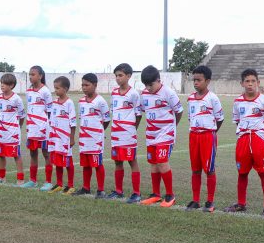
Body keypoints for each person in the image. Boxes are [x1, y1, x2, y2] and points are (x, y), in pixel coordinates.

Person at [224, 69, 264, 218]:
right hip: (243, 139)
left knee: (263, 172)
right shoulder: (238, 101)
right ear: (242, 83)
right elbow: (237, 121)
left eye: (253, 81)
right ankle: (241, 203)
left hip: (258, 139)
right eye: (247, 81)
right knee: (242, 172)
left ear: (258, 83)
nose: (250, 84)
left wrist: (260, 136)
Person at [138, 65, 183, 207]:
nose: (148, 87)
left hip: (166, 134)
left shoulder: (168, 93)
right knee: (153, 163)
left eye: (151, 84)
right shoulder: (144, 94)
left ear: (158, 80)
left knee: (162, 161)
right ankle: (156, 194)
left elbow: (179, 111)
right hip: (151, 134)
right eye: (146, 85)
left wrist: (171, 127)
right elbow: (145, 110)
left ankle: (170, 195)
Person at [185, 65, 224, 212]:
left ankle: (210, 201)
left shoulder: (212, 98)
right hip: (193, 136)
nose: (195, 83)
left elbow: (219, 119)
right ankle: (195, 200)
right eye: (194, 80)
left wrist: (211, 132)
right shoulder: (190, 98)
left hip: (208, 136)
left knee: (209, 169)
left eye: (199, 80)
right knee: (195, 169)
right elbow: (190, 117)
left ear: (207, 81)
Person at [108, 63, 143, 203]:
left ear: (129, 76)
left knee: (132, 161)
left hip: (128, 133)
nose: (118, 78)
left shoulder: (133, 94)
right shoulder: (114, 93)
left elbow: (138, 114)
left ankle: (136, 192)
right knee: (117, 162)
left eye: (120, 75)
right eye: (116, 75)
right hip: (116, 133)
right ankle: (118, 191)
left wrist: (132, 129)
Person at [74, 73, 111, 197]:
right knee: (86, 164)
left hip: (95, 139)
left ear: (95, 85)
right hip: (84, 138)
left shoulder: (100, 101)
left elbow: (106, 120)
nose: (84, 87)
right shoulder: (81, 102)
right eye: (82, 85)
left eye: (87, 85)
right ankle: (86, 187)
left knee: (97, 164)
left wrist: (98, 131)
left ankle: (101, 190)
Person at [23, 65, 54, 189]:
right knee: (33, 153)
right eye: (29, 74)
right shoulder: (28, 91)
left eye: (33, 74)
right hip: (32, 128)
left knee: (46, 154)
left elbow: (50, 111)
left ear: (40, 76)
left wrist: (48, 127)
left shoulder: (45, 91)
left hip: (43, 128)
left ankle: (48, 182)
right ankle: (33, 180)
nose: (31, 77)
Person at [0, 73, 26, 185]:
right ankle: (1, 177)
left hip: (13, 132)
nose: (2, 85)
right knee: (0, 154)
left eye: (5, 84)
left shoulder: (17, 99)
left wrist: (18, 126)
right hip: (1, 131)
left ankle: (20, 179)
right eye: (1, 83)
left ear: (11, 85)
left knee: (16, 155)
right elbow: (0, 110)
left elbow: (22, 116)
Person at [48, 76, 77, 193]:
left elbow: (73, 122)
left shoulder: (69, 103)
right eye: (55, 88)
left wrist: (72, 138)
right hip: (55, 138)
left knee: (68, 161)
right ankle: (59, 183)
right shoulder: (54, 103)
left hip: (65, 138)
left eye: (57, 88)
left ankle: (71, 185)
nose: (55, 90)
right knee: (57, 161)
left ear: (65, 89)